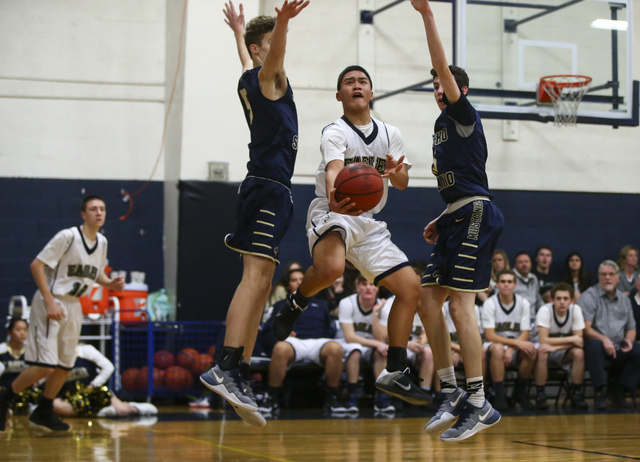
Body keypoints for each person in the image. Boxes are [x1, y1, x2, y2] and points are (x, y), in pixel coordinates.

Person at [270, 64, 429, 408]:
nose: (356, 86)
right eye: (349, 82)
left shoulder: (390, 133)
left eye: (362, 82)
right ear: (339, 95)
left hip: (369, 221)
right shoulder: (335, 131)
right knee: (331, 270)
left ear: (371, 93)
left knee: (411, 287)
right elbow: (333, 171)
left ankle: (396, 369)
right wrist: (334, 195)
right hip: (333, 210)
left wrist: (396, 171)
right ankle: (297, 302)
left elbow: (401, 183)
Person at [199, 0, 309, 428]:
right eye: (273, 46)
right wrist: (280, 22)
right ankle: (226, 365)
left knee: (263, 282)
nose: (281, 52)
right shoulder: (268, 79)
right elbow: (268, 55)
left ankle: (238, 369)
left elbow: (250, 53)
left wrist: (239, 33)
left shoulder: (251, 74)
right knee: (255, 279)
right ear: (265, 50)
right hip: (267, 188)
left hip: (268, 190)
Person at [408, 0, 504, 442]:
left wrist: (427, 15)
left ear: (458, 89)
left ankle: (480, 402)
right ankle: (449, 389)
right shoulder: (441, 126)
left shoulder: (463, 113)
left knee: (461, 304)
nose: (438, 89)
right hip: (456, 213)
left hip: (475, 212)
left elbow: (440, 63)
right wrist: (441, 215)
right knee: (428, 299)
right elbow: (460, 181)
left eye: (443, 84)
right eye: (435, 86)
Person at [0, 194, 125, 431]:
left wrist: (110, 283)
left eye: (103, 209)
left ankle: (45, 410)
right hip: (52, 301)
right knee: (46, 365)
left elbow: (94, 273)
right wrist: (49, 302)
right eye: (93, 209)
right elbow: (36, 265)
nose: (99, 213)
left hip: (74, 305)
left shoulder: (102, 242)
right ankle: (5, 396)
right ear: (83, 214)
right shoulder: (68, 237)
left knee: (65, 365)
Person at [258, 268, 345, 416]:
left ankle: (333, 399)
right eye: (294, 280)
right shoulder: (280, 304)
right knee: (280, 348)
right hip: (294, 342)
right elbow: (267, 331)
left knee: (335, 348)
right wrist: (283, 334)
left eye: (302, 279)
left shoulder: (322, 304)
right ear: (288, 286)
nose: (299, 282)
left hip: (318, 342)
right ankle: (271, 398)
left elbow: (330, 327)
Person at [580, 260, 640, 410]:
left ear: (617, 277)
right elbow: (586, 329)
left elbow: (631, 328)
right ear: (599, 277)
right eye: (604, 274)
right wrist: (604, 339)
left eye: (611, 274)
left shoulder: (625, 300)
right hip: (597, 344)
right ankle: (600, 392)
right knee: (593, 346)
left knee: (639, 349)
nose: (607, 278)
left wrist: (629, 340)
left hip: (619, 344)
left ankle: (619, 388)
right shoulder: (589, 296)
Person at [335, 274, 396, 413]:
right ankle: (352, 396)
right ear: (357, 288)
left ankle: (382, 397)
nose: (368, 287)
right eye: (364, 284)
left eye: (371, 284)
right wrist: (376, 343)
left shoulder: (384, 307)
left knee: (382, 352)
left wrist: (375, 314)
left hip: (370, 346)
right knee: (355, 350)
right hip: (345, 344)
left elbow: (381, 338)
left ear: (377, 289)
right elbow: (350, 337)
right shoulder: (346, 303)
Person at [53, 343, 157, 418]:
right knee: (56, 405)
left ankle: (133, 407)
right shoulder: (54, 357)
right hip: (69, 397)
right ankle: (100, 413)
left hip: (95, 393)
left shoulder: (85, 350)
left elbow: (108, 367)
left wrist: (93, 385)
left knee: (122, 411)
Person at [482, 270, 536, 411]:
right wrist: (515, 344)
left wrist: (512, 348)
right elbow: (489, 335)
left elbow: (525, 333)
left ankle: (519, 391)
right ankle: (499, 393)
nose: (506, 285)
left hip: (515, 344)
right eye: (503, 282)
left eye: (509, 282)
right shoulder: (490, 303)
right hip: (494, 344)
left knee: (531, 350)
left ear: (515, 285)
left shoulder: (523, 303)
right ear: (498, 285)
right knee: (499, 348)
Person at [533, 283, 588, 410]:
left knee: (579, 353)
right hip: (543, 349)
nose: (562, 302)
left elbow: (579, 341)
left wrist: (555, 347)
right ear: (552, 300)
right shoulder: (545, 310)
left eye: (565, 299)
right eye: (558, 299)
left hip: (560, 350)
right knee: (542, 352)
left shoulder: (576, 310)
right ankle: (540, 395)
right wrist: (572, 339)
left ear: (572, 301)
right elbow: (543, 340)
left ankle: (576, 394)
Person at [380, 295, 435, 401]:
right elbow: (384, 336)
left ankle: (425, 393)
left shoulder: (425, 303)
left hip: (415, 346)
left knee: (428, 353)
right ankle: (390, 397)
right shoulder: (389, 304)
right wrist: (408, 344)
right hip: (397, 345)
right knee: (383, 350)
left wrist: (422, 343)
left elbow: (427, 330)